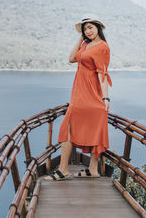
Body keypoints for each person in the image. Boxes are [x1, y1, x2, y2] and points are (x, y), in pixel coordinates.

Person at [44, 14, 112, 181]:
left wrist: (106, 98)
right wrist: (80, 39)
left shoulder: (103, 47)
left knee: (86, 130)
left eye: (90, 27)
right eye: (85, 28)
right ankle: (80, 170)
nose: (88, 31)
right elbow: (71, 58)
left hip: (92, 95)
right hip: (79, 94)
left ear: (98, 27)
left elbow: (102, 74)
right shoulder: (85, 45)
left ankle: (78, 169)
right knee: (67, 128)